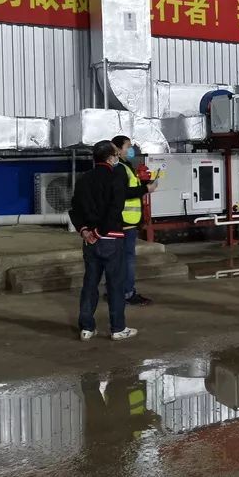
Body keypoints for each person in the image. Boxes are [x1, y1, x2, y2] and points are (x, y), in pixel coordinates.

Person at [68, 140, 136, 341]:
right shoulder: (116, 177)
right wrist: (99, 232)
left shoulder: (84, 179)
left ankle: (87, 328)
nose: (118, 156)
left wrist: (84, 231)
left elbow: (75, 209)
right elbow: (115, 209)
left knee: (90, 284)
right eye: (116, 154)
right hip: (111, 238)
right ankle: (118, 328)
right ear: (110, 158)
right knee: (115, 285)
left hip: (89, 241)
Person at [111, 135, 158, 307]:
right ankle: (127, 293)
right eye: (128, 146)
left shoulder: (124, 167)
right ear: (118, 150)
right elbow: (123, 193)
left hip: (126, 221)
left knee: (120, 259)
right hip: (125, 222)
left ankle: (116, 291)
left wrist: (144, 183)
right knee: (127, 259)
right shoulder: (120, 168)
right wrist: (146, 188)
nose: (131, 149)